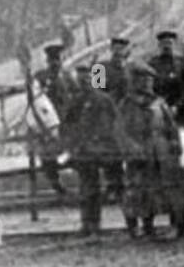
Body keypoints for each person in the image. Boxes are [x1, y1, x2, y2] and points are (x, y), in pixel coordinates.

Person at [119, 61, 184, 240]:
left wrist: (175, 143)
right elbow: (120, 131)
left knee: (172, 189)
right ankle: (146, 226)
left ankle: (179, 225)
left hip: (162, 151)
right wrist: (132, 148)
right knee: (141, 191)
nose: (146, 84)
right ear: (134, 82)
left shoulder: (160, 103)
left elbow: (171, 126)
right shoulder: (127, 104)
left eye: (149, 80)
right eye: (142, 80)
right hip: (141, 153)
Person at [64, 63, 122, 236]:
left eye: (88, 79)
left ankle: (130, 222)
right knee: (87, 189)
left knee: (116, 186)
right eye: (81, 81)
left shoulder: (105, 99)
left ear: (94, 80)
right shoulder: (75, 102)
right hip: (85, 151)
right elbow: (68, 126)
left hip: (104, 149)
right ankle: (88, 224)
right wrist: (73, 146)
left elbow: (115, 122)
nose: (85, 84)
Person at [92, 36, 132, 202]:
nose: (119, 52)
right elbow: (95, 91)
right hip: (107, 115)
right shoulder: (100, 67)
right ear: (111, 50)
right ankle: (113, 186)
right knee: (110, 152)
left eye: (122, 49)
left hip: (128, 114)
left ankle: (127, 185)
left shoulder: (132, 68)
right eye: (116, 48)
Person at [36, 43, 77, 195]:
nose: (55, 63)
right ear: (48, 61)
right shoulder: (41, 77)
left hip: (66, 121)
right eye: (52, 60)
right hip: (48, 123)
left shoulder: (67, 76)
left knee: (73, 149)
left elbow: (76, 93)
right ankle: (55, 182)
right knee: (47, 154)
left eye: (58, 60)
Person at [147, 30, 184, 155]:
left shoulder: (182, 63)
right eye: (163, 43)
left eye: (169, 43)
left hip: (180, 105)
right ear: (159, 46)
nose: (166, 46)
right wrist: (159, 104)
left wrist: (178, 105)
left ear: (174, 44)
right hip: (159, 106)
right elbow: (148, 87)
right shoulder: (152, 63)